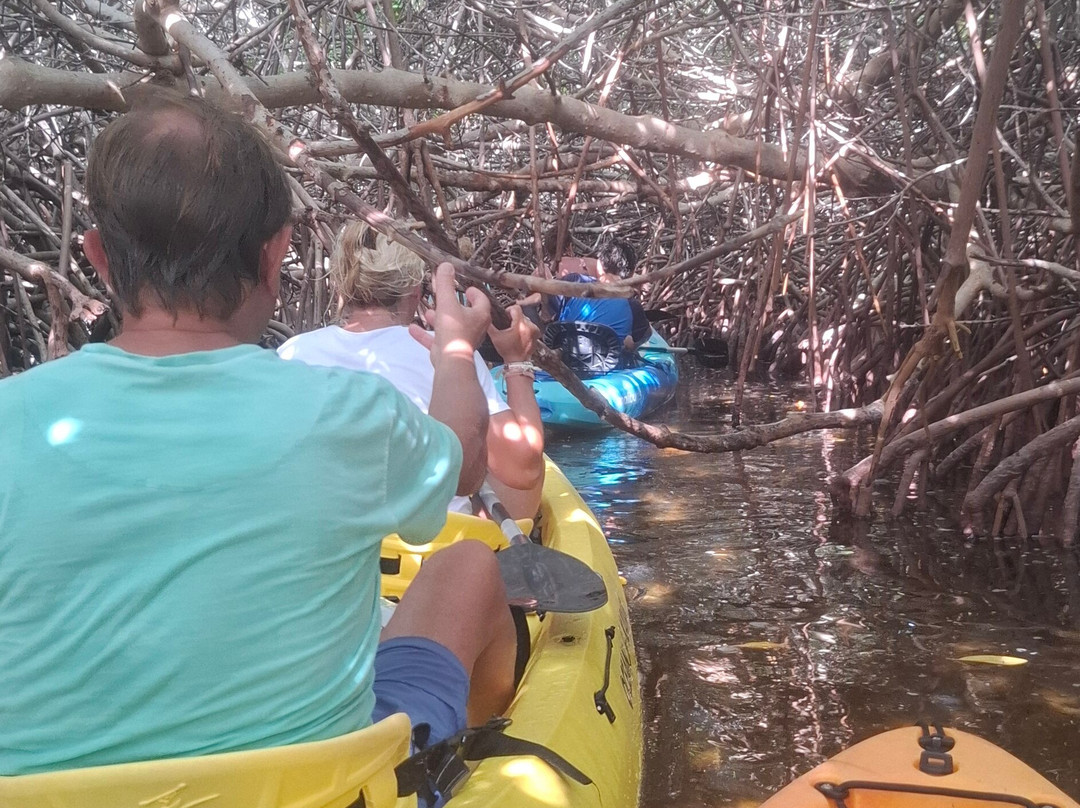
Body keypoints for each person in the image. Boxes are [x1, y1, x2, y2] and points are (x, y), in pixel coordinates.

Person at [0, 92, 515, 777]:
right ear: (276, 255)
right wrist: (456, 347)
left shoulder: (14, 417)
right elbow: (467, 464)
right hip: (319, 791)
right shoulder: (347, 414)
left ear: (97, 256)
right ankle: (463, 776)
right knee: (472, 565)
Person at [277, 222, 545, 520]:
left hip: (328, 538)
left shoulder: (291, 352)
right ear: (416, 290)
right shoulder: (448, 353)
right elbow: (524, 471)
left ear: (340, 285)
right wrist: (517, 360)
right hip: (430, 550)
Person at [545, 237, 652, 356]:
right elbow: (641, 340)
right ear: (632, 273)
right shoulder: (633, 305)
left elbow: (549, 312)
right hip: (605, 367)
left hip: (564, 358)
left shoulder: (573, 281)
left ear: (600, 266)